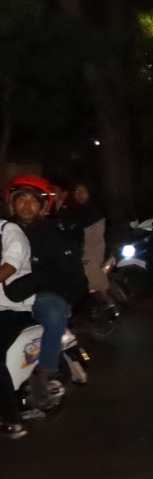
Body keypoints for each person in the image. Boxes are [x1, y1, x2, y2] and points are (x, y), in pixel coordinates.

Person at [1, 177, 67, 414]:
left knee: (54, 310)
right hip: (9, 294)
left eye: (32, 201)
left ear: (42, 206)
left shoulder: (52, 232)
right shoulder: (6, 228)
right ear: (12, 204)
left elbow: (66, 271)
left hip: (38, 294)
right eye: (21, 200)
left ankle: (44, 372)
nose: (26, 206)